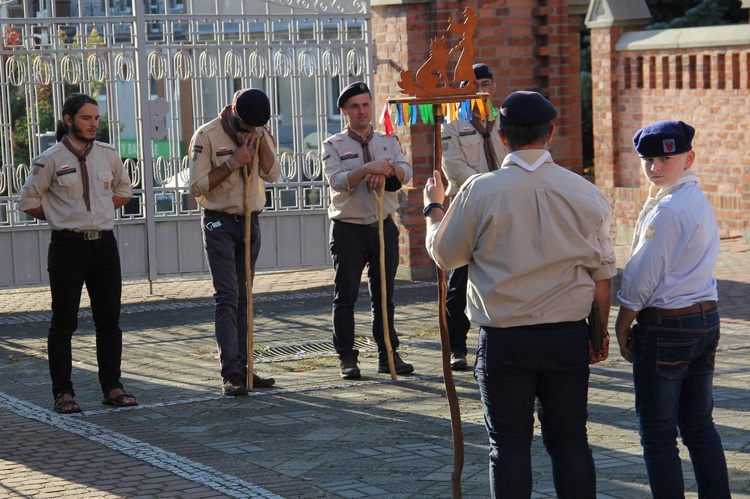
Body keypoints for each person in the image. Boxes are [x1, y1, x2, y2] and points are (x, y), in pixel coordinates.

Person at [424, 90, 615, 497]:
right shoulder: (584, 191)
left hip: (505, 338)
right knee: (570, 441)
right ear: (551, 133)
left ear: (503, 137)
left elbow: (444, 256)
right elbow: (603, 274)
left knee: (508, 447)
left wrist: (434, 210)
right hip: (566, 334)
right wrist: (599, 334)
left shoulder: (481, 190)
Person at [614, 120, 731, 498]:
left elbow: (640, 278)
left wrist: (620, 324)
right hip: (703, 319)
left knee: (659, 435)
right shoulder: (694, 199)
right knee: (699, 427)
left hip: (667, 327)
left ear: (689, 158)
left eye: (666, 158)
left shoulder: (670, 209)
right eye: (648, 159)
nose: (655, 167)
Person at [18, 92, 137, 414]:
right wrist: (63, 216)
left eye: (96, 118)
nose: (93, 124)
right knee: (64, 322)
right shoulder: (51, 159)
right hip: (68, 247)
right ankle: (64, 393)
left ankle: (112, 386)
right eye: (86, 118)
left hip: (104, 245)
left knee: (109, 321)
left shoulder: (108, 155)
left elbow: (124, 191)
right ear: (68, 120)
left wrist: (97, 210)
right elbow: (28, 201)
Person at [188, 88, 281, 396]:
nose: (253, 130)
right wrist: (233, 163)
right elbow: (197, 187)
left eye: (259, 126)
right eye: (249, 126)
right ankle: (230, 373)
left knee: (245, 298)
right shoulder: (207, 135)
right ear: (235, 116)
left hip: (250, 222)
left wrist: (258, 143)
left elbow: (273, 174)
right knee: (227, 296)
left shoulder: (259, 128)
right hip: (220, 222)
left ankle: (245, 369)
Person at [322, 81, 414, 379]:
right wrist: (367, 169)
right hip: (348, 229)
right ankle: (347, 357)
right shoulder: (333, 145)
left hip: (382, 227)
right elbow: (337, 180)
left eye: (365, 105)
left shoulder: (389, 140)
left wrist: (388, 170)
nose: (361, 111)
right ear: (344, 111)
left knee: (384, 296)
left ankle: (388, 353)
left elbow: (406, 170)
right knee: (346, 296)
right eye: (354, 107)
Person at [440, 63, 503, 370]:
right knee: (459, 284)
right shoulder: (452, 124)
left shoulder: (505, 120)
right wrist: (492, 188)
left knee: (503, 276)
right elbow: (454, 169)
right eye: (474, 84)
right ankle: (457, 349)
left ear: (494, 87)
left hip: (505, 209)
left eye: (486, 83)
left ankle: (497, 341)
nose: (481, 89)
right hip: (468, 208)